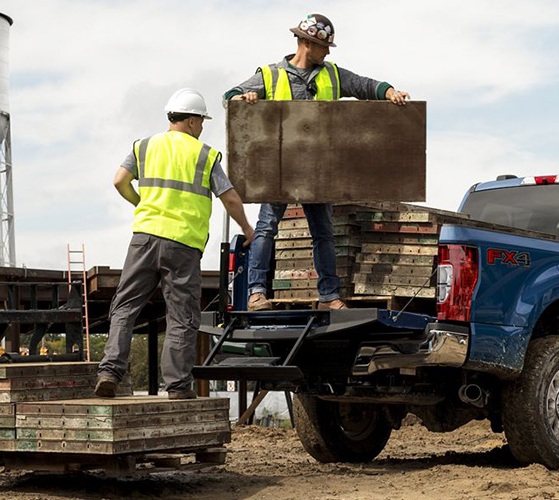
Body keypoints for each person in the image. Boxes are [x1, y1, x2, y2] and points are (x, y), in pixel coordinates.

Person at [224, 13, 410, 311]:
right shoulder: (271, 76)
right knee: (267, 227)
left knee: (322, 232)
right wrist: (240, 99)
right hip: (281, 168)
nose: (328, 52)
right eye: (325, 46)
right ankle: (257, 293)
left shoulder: (333, 75)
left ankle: (329, 297)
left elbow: (363, 85)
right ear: (308, 44)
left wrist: (389, 92)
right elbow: (230, 96)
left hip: (318, 170)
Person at [95, 88, 255, 400]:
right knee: (181, 316)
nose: (202, 127)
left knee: (125, 307)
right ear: (193, 121)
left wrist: (142, 203)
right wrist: (248, 229)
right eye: (202, 121)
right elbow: (230, 197)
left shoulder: (144, 146)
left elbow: (119, 180)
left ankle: (109, 372)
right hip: (183, 244)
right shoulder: (204, 155)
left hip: (144, 238)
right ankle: (178, 387)